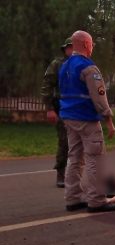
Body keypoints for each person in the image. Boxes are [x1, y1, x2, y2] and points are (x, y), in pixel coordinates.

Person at [59, 30, 115, 213]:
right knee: (95, 159)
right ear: (86, 44)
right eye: (91, 44)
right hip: (86, 119)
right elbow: (99, 98)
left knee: (74, 158)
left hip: (69, 117)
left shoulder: (65, 66)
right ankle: (96, 200)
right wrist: (108, 119)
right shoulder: (88, 67)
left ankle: (73, 198)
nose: (92, 47)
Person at [40, 37, 73, 188]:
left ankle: (75, 174)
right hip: (62, 107)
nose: (71, 50)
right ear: (65, 49)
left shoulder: (82, 64)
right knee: (64, 141)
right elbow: (46, 85)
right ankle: (61, 172)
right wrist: (50, 109)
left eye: (74, 47)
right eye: (69, 47)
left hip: (79, 109)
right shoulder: (57, 64)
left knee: (81, 144)